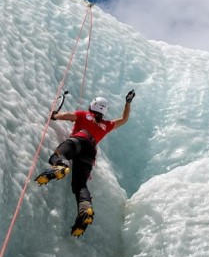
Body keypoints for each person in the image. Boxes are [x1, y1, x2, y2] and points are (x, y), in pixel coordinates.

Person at [36, 89, 136, 237]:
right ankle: (85, 208)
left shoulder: (84, 114)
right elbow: (124, 119)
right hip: (90, 153)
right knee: (80, 186)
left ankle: (61, 166)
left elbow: (66, 116)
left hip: (79, 140)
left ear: (92, 106)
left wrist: (55, 115)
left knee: (59, 155)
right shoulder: (106, 125)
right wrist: (127, 102)